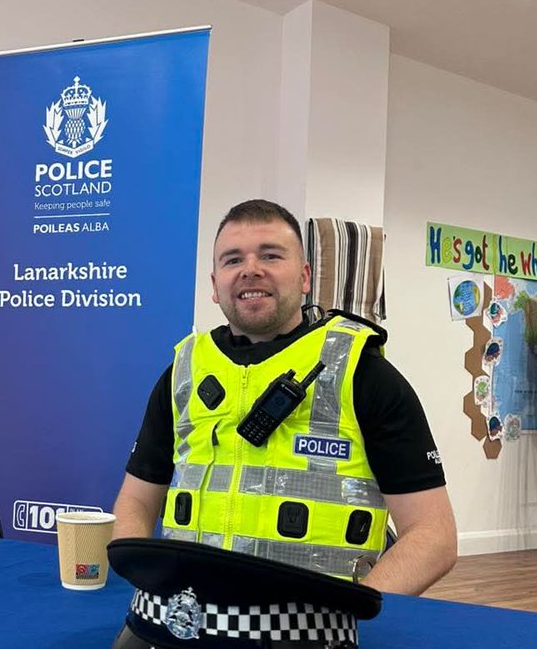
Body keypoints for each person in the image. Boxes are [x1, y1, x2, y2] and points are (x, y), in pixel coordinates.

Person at [112, 199, 457, 595]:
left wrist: (350, 617)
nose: (250, 269)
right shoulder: (182, 372)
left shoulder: (364, 373)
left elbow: (433, 536)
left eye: (271, 255)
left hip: (317, 634)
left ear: (305, 276)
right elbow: (135, 502)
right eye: (232, 260)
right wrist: (145, 586)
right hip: (193, 624)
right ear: (214, 285)